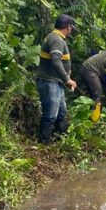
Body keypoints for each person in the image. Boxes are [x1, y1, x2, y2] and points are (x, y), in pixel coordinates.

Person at [37, 14, 77, 144]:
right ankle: (44, 143)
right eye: (71, 27)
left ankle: (63, 140)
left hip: (55, 83)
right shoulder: (56, 40)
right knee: (50, 115)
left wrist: (66, 78)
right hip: (50, 83)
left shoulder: (56, 37)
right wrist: (67, 79)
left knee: (61, 113)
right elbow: (55, 60)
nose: (71, 30)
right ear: (68, 27)